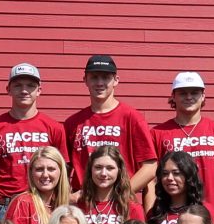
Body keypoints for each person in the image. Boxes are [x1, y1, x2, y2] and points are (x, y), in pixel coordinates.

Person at [66, 55, 158, 193]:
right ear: (85, 80)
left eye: (105, 77)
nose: (100, 83)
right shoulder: (73, 123)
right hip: (84, 205)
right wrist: (68, 197)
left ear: (116, 80)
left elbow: (150, 167)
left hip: (121, 204)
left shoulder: (132, 118)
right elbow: (62, 168)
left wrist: (121, 195)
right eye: (94, 77)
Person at [0, 63, 65, 203]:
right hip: (4, 205)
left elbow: (63, 170)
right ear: (8, 89)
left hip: (42, 202)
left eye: (30, 86)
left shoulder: (54, 128)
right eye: (18, 85)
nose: (24, 90)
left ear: (39, 90)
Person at [155, 72, 214, 205]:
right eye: (183, 93)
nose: (189, 97)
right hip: (170, 215)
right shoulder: (158, 133)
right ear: (173, 96)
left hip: (210, 215)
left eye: (194, 92)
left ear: (203, 96)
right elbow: (151, 180)